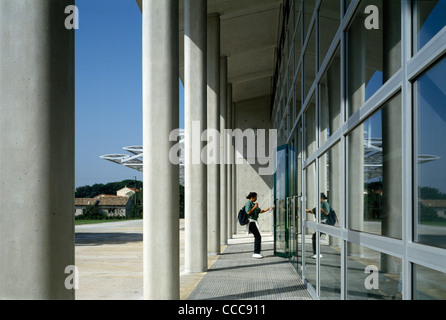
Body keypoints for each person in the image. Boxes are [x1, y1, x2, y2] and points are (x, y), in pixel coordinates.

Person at [245, 192, 273, 259]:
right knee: (258, 236)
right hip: (251, 222)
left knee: (257, 236)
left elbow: (260, 211)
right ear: (252, 197)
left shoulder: (253, 204)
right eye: (256, 197)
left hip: (254, 222)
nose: (256, 198)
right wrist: (254, 207)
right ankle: (256, 253)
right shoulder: (248, 203)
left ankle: (257, 252)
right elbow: (248, 212)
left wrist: (269, 208)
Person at [306, 193, 331, 259]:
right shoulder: (320, 204)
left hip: (323, 223)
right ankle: (316, 253)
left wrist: (321, 209)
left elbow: (327, 213)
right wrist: (305, 210)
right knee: (315, 237)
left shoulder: (325, 203)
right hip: (320, 223)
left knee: (315, 237)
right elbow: (312, 211)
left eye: (319, 198)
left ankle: (317, 253)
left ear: (322, 198)